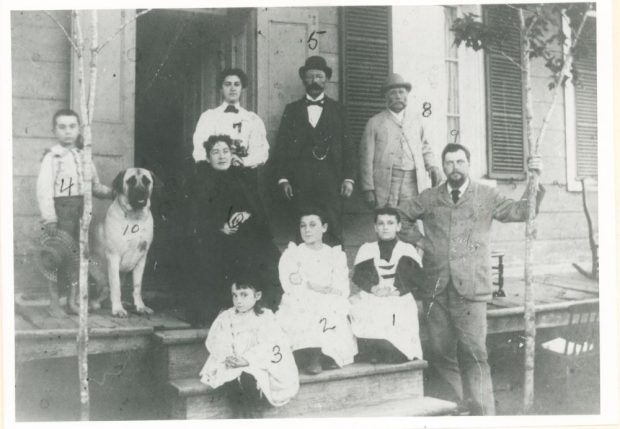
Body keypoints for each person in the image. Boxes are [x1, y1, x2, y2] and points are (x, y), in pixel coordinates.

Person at [397, 143, 545, 415]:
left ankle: (484, 415)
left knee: (475, 353)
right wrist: (421, 241)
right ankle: (462, 404)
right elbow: (401, 215)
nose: (455, 167)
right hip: (436, 286)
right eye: (450, 163)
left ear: (469, 164)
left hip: (472, 289)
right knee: (441, 352)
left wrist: (535, 179)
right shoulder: (429, 197)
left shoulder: (486, 195)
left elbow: (521, 211)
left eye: (460, 162)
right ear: (443, 167)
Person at [187, 134, 282, 326]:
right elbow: (195, 216)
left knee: (266, 254)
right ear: (207, 157)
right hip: (213, 238)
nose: (221, 156)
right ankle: (222, 308)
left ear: (232, 154)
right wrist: (220, 227)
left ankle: (257, 307)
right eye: (215, 152)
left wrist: (246, 216)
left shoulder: (242, 178)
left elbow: (256, 210)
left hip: (244, 236)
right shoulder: (201, 182)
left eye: (225, 151)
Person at [273, 56, 356, 245]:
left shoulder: (339, 110)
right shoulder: (292, 110)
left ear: (326, 79)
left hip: (331, 179)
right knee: (303, 227)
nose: (315, 81)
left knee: (333, 226)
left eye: (319, 76)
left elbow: (349, 146)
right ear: (304, 80)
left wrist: (349, 178)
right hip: (300, 180)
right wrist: (283, 178)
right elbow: (282, 147)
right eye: (310, 77)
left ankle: (335, 270)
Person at [36, 108, 112, 315]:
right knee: (55, 257)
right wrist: (50, 218)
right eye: (62, 127)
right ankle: (53, 301)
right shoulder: (52, 158)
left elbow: (94, 185)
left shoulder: (84, 157)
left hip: (82, 213)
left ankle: (72, 300)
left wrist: (113, 192)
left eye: (72, 126)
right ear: (54, 131)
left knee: (78, 258)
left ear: (79, 129)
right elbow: (44, 190)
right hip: (61, 213)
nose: (67, 131)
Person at [199, 279, 300, 418]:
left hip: (257, 361)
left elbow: (270, 344)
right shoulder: (227, 316)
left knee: (249, 377)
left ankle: (253, 415)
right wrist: (227, 355)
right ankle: (239, 414)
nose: (238, 300)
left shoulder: (265, 317)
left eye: (244, 295)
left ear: (257, 296)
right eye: (235, 295)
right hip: (232, 360)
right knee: (230, 378)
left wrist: (247, 359)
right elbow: (217, 339)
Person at [359, 73, 441, 238]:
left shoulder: (416, 121)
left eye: (401, 92)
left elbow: (425, 147)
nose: (398, 96)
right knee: (388, 220)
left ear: (407, 95)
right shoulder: (375, 122)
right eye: (393, 93)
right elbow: (365, 157)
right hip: (386, 182)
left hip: (412, 181)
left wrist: (432, 165)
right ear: (386, 97)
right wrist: (368, 188)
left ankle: (411, 257)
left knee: (411, 219)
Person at [276, 209, 357, 374]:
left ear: (324, 227)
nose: (307, 230)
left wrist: (315, 287)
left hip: (329, 299)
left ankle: (325, 355)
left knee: (330, 310)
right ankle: (312, 355)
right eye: (303, 226)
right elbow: (291, 283)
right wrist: (316, 289)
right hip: (301, 298)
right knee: (306, 310)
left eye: (313, 225)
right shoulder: (293, 254)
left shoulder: (334, 254)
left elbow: (340, 286)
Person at [349, 207, 423, 364]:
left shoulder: (406, 249)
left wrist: (397, 291)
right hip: (374, 293)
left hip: (398, 294)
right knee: (363, 306)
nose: (385, 227)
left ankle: (396, 350)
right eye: (381, 223)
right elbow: (360, 276)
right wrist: (373, 288)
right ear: (375, 227)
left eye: (390, 223)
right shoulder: (367, 249)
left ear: (398, 227)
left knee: (398, 308)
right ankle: (375, 348)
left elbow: (415, 278)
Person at [192, 68, 269, 200]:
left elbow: (261, 152)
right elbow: (199, 151)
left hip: (243, 179)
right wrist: (219, 161)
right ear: (221, 88)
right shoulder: (209, 116)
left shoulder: (252, 119)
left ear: (242, 88)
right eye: (227, 84)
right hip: (214, 179)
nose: (232, 88)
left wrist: (242, 161)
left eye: (236, 84)